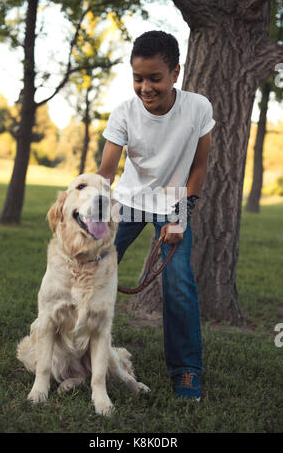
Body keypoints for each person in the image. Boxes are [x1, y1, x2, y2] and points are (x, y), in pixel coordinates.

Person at [97, 31, 215, 401]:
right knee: (86, 263)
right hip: (129, 199)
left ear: (175, 73)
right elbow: (106, 171)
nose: (145, 87)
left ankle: (186, 372)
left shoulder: (198, 108)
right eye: (138, 78)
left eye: (154, 78)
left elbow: (199, 167)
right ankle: (72, 351)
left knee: (179, 285)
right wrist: (97, 219)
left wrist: (181, 216)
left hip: (172, 202)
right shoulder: (124, 112)